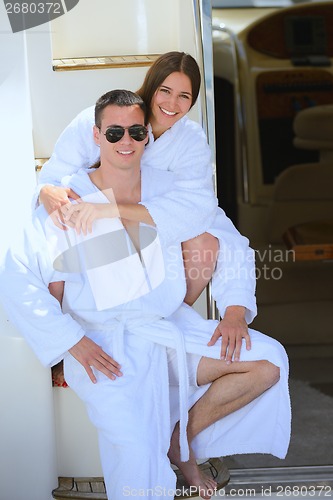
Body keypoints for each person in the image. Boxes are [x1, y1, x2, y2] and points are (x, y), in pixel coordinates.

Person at [0, 90, 290, 500]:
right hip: (103, 345)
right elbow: (15, 276)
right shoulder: (69, 197)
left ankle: (181, 437)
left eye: (136, 131)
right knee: (137, 451)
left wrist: (235, 310)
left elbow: (231, 244)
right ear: (96, 136)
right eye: (114, 131)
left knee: (267, 362)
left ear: (147, 137)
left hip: (166, 333)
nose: (126, 141)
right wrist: (71, 341)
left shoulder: (170, 190)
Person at [37, 52, 256, 364]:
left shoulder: (189, 142)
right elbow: (55, 176)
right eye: (165, 91)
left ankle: (165, 318)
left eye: (185, 96)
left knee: (206, 241)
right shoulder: (100, 119)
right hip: (94, 237)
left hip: (143, 233)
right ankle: (70, 343)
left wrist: (235, 310)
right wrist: (47, 190)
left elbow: (204, 213)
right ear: (151, 87)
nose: (172, 104)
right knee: (58, 242)